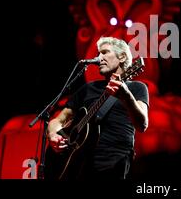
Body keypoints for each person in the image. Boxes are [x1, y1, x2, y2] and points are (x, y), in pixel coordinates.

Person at [47, 37, 149, 180]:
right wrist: (53, 135)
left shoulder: (137, 88)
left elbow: (142, 125)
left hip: (114, 162)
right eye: (98, 54)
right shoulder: (88, 88)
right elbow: (58, 120)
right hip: (79, 163)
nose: (98, 58)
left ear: (122, 57)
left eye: (105, 52)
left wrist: (126, 96)